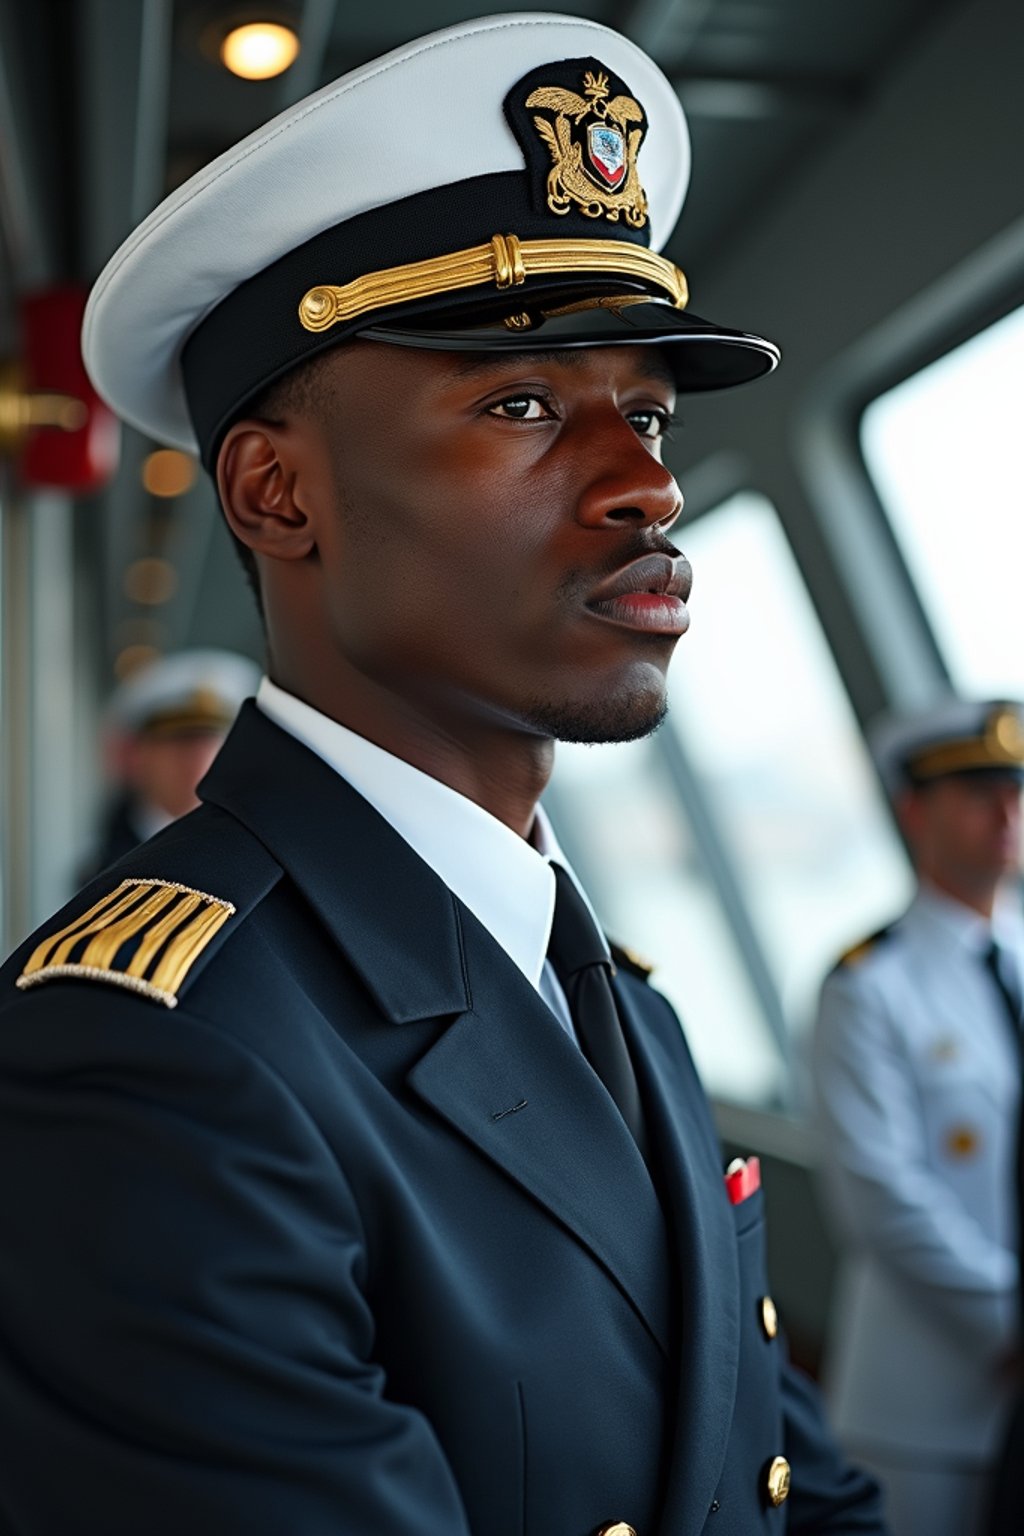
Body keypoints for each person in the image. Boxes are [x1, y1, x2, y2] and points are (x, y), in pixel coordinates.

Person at [0, 14, 887, 1534]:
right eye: (525, 404)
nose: (649, 482)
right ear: (278, 492)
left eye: (652, 415)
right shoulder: (153, 1060)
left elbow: (794, 1481)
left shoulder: (613, 992)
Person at [813, 698, 1024, 1536]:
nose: (1006, 812)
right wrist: (1013, 1320)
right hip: (930, 1404)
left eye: (1015, 789)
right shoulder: (867, 987)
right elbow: (879, 1196)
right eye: (978, 791)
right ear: (914, 812)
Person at [83, 647, 261, 876]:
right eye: (181, 742)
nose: (200, 758)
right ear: (135, 756)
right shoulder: (100, 868)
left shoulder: (250, 851)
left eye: (213, 743)